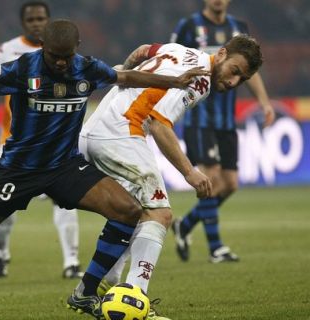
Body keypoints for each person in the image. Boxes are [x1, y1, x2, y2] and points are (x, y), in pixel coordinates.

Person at [0, 19, 208, 320]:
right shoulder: (21, 69)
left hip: (64, 167)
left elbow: (126, 76)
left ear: (77, 49)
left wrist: (176, 82)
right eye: (53, 55)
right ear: (42, 47)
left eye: (65, 55)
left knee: (129, 211)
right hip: (17, 172)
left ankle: (85, 291)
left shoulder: (86, 68)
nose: (59, 62)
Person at [79, 34, 263, 319]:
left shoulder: (179, 51)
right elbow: (158, 123)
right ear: (223, 53)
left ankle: (98, 286)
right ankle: (135, 299)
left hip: (95, 127)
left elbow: (142, 50)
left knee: (132, 212)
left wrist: (123, 75)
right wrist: (190, 172)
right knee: (160, 215)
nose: (234, 82)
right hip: (120, 132)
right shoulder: (199, 79)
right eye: (235, 71)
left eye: (243, 79)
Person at [0, 1, 82, 279]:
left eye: (41, 18)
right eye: (31, 19)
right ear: (24, 23)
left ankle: (71, 262)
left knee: (65, 202)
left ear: (48, 21)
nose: (36, 23)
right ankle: (0, 253)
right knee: (2, 205)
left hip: (57, 143)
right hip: (17, 142)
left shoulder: (64, 52)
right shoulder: (7, 51)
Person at [169, 0, 275, 263]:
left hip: (226, 120)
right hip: (198, 117)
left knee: (230, 184)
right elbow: (172, 60)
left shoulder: (239, 28)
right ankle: (216, 248)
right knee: (212, 178)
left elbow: (251, 72)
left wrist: (264, 102)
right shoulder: (189, 26)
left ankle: (185, 225)